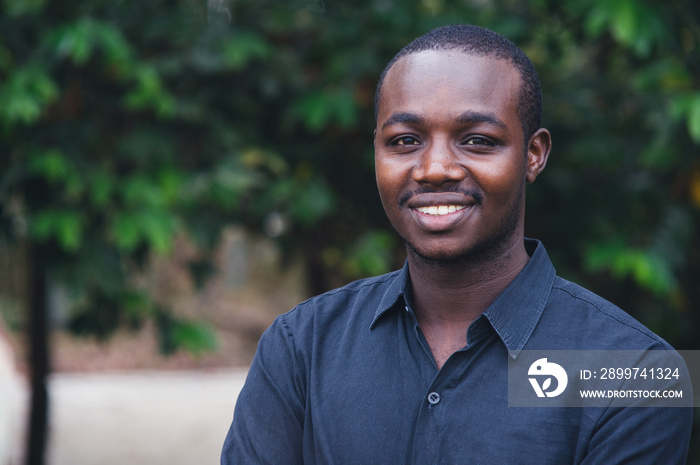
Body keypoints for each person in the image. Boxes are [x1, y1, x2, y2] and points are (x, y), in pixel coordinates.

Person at [221, 24, 692, 464]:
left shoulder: (633, 372)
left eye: (477, 141)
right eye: (405, 140)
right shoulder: (302, 346)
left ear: (533, 154)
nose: (435, 168)